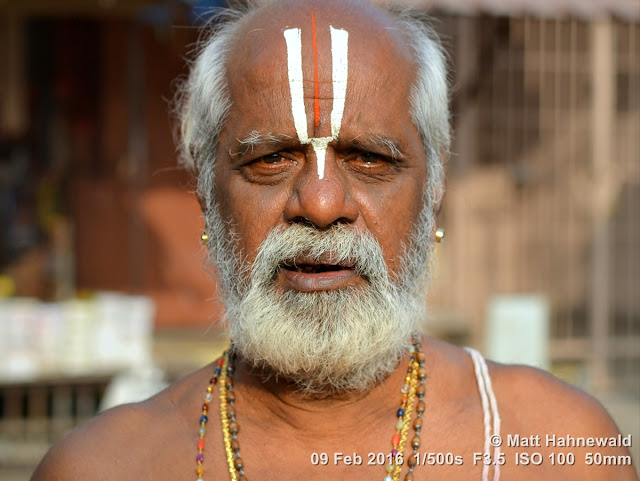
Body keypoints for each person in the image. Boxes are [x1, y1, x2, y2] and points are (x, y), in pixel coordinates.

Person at [31, 0, 636, 480]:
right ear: (206, 197)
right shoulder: (103, 468)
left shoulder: (563, 450)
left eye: (370, 158)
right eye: (270, 159)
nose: (321, 205)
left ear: (434, 193)